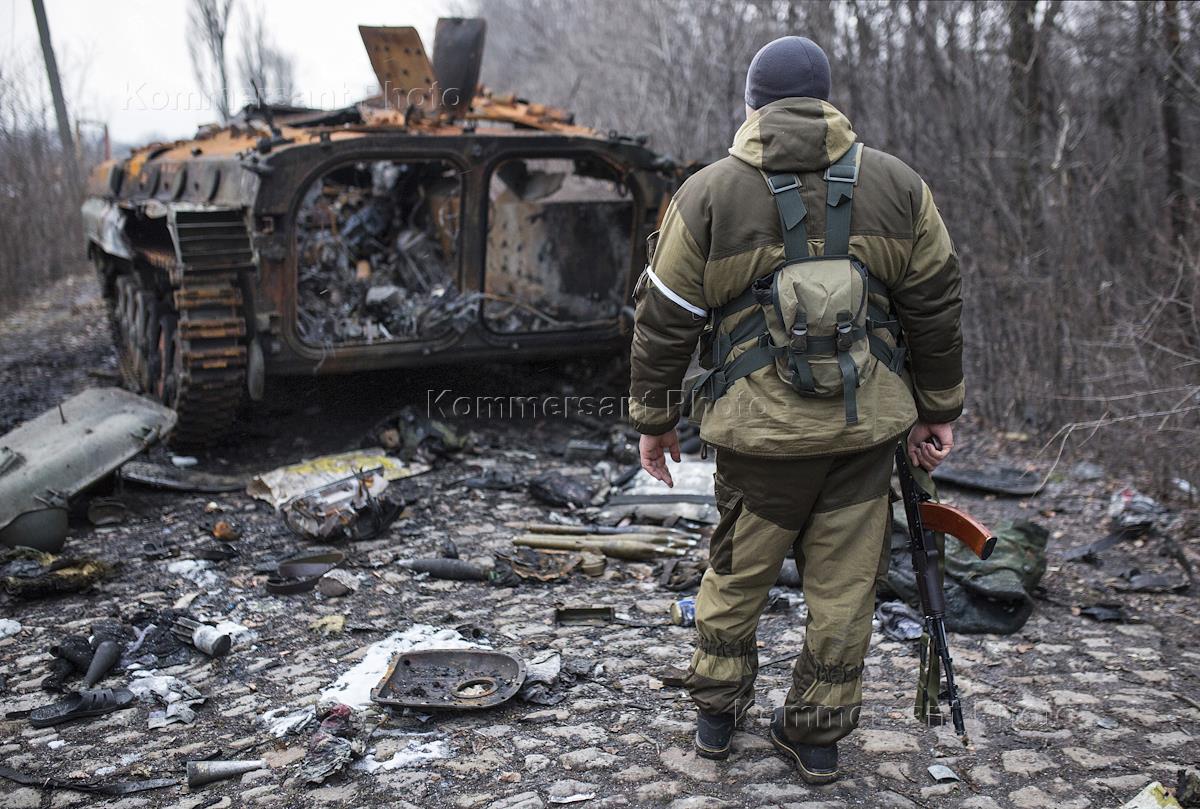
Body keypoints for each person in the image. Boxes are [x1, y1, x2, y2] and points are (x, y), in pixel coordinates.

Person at [627, 35, 963, 784]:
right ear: (825, 100)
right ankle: (816, 739)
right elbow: (936, 304)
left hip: (758, 443)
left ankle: (716, 719)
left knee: (737, 574)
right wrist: (938, 406)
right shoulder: (899, 185)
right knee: (845, 591)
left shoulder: (707, 193)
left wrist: (654, 418)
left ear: (753, 105)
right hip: (861, 436)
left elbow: (665, 319)